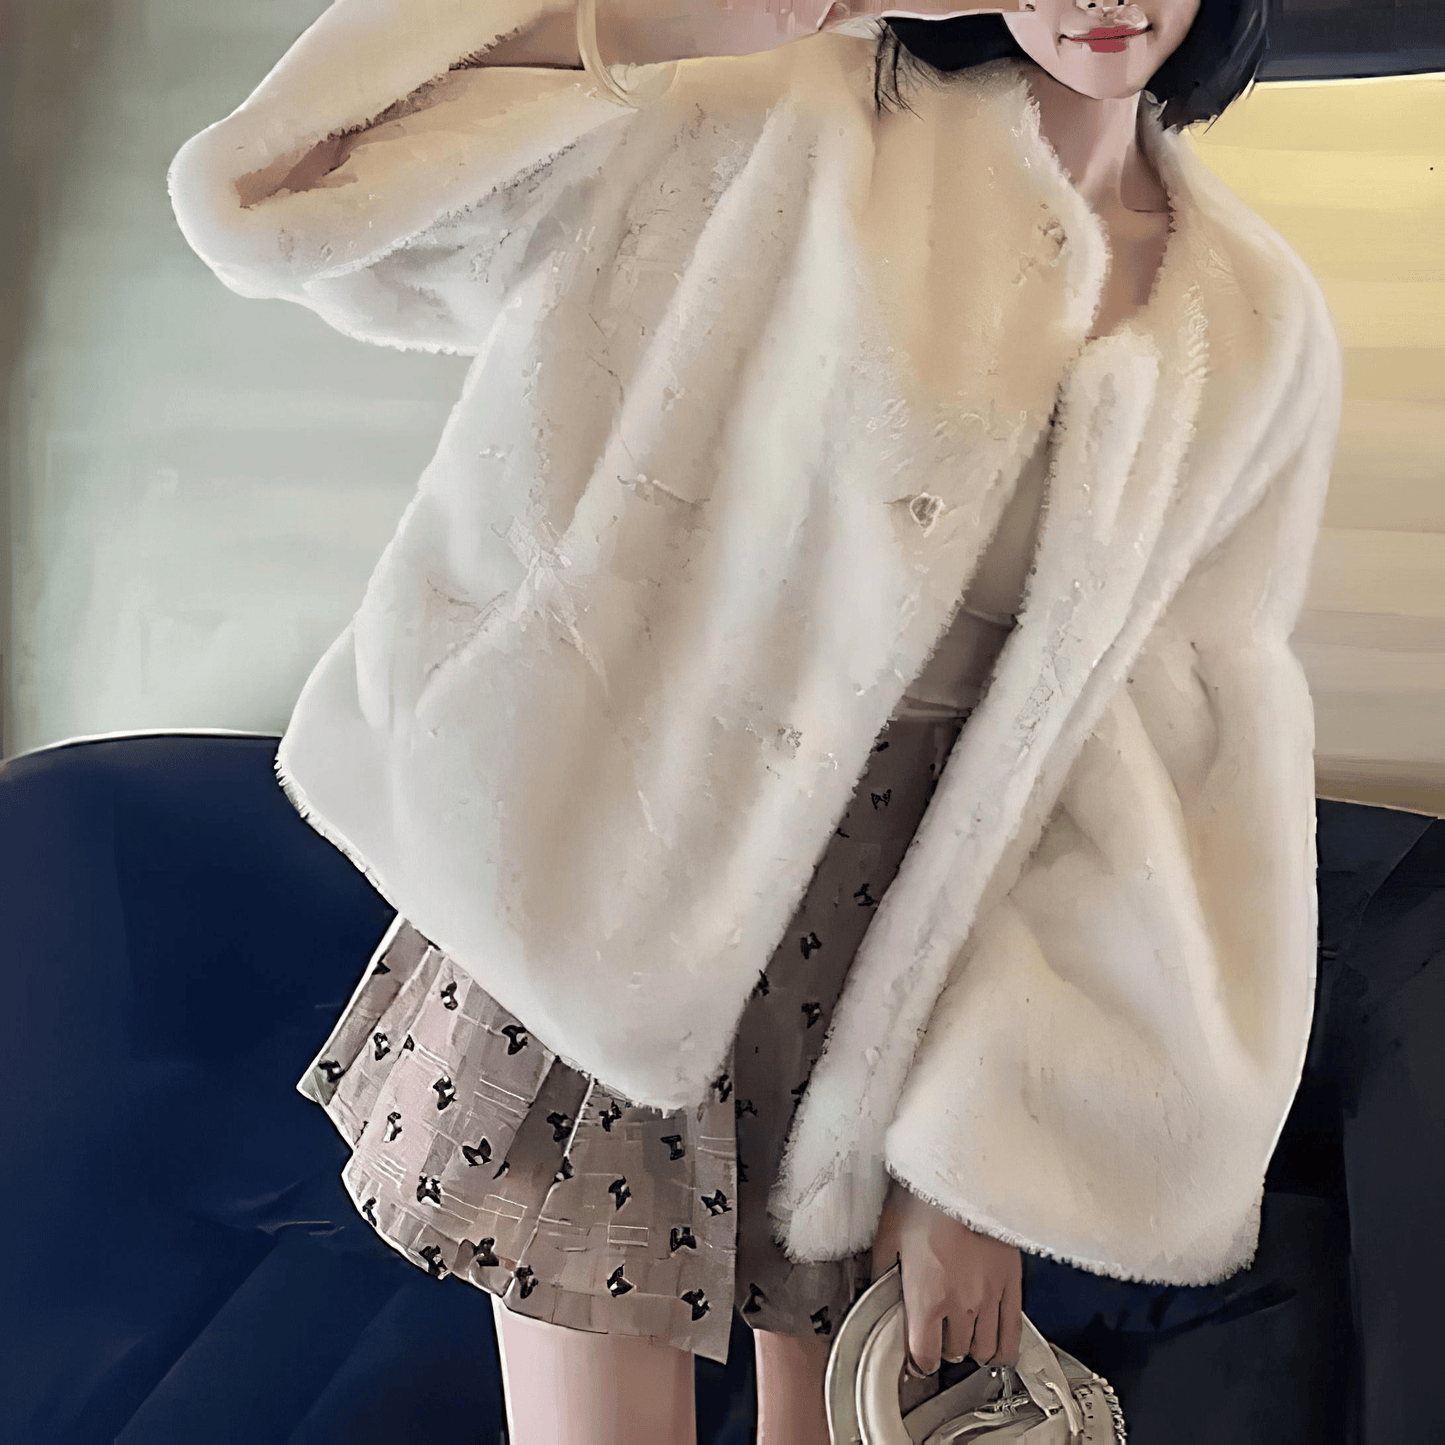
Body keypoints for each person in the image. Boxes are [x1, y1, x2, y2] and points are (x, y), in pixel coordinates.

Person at [167, 0, 1342, 1437]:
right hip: (609, 879)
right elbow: (298, 192)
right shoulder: (785, 109)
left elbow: (1158, 763)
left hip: (910, 956)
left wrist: (973, 1176)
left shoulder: (1252, 322)